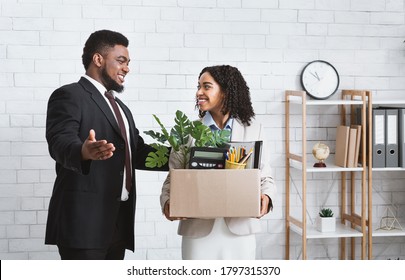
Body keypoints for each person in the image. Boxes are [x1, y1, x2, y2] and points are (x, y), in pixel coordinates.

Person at [45, 30, 167, 260]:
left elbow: (138, 153)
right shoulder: (69, 95)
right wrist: (83, 151)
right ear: (98, 59)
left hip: (117, 222)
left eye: (128, 63)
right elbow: (59, 141)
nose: (127, 68)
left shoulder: (121, 107)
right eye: (121, 60)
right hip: (83, 224)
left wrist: (183, 157)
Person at [160, 65, 277, 259]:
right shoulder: (187, 132)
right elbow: (172, 178)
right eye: (198, 87)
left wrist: (267, 197)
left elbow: (265, 175)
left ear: (225, 92)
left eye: (206, 87)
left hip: (240, 230)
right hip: (198, 231)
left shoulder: (254, 129)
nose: (199, 92)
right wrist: (167, 203)